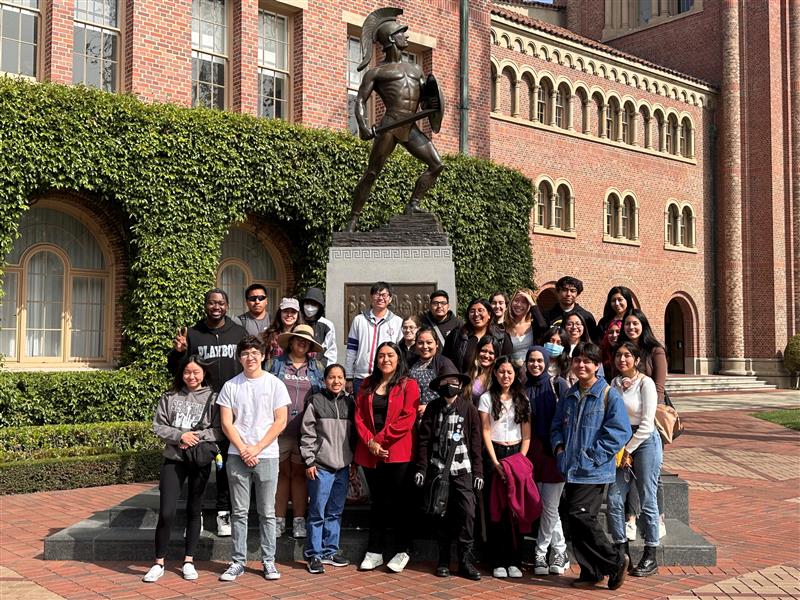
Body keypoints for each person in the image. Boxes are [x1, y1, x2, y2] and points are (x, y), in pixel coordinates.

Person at [346, 8, 444, 231]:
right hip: (390, 126)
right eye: (402, 33)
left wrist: (433, 107)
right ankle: (353, 219)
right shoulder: (377, 73)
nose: (406, 37)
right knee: (372, 172)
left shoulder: (417, 70)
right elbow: (360, 100)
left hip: (410, 126)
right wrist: (362, 126)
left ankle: (413, 204)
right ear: (391, 39)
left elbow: (427, 100)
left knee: (437, 165)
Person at [551, 342, 632, 590]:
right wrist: (559, 450)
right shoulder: (568, 395)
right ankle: (591, 571)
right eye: (578, 360)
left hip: (594, 470)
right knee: (574, 520)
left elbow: (620, 432)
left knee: (581, 516)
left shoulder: (609, 395)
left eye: (588, 361)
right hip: (571, 468)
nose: (582, 365)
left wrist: (593, 456)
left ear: (597, 365)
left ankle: (615, 560)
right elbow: (556, 427)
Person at [168, 288, 247, 538]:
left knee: (226, 462)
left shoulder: (238, 332)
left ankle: (224, 512)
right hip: (200, 408)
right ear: (205, 305)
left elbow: (250, 363)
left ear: (227, 306)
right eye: (212, 302)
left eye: (221, 303)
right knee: (198, 462)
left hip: (230, 408)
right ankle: (196, 513)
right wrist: (179, 352)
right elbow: (178, 371)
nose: (216, 307)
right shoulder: (193, 334)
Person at [216, 336, 290, 583]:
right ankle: (238, 561)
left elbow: (281, 420)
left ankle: (268, 560)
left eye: (255, 352)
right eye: (246, 352)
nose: (250, 357)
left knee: (267, 512)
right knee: (239, 512)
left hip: (267, 454)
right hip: (237, 455)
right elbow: (227, 423)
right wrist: (243, 448)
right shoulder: (231, 386)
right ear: (240, 357)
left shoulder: (275, 384)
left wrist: (256, 448)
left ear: (263, 355)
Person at [143, 355, 223, 583]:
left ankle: (189, 560)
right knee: (167, 511)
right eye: (187, 372)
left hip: (198, 459)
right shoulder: (169, 397)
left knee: (194, 509)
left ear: (204, 374)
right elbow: (158, 426)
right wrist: (180, 436)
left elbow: (219, 430)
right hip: (173, 458)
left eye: (196, 372)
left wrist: (195, 437)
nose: (192, 376)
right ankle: (158, 562)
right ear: (181, 374)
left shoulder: (213, 398)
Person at [353, 342, 420, 573]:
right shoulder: (367, 384)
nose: (386, 360)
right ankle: (375, 551)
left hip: (398, 453)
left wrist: (380, 440)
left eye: (390, 355)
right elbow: (359, 417)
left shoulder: (408, 385)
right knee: (378, 503)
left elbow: (407, 417)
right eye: (381, 356)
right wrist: (370, 442)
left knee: (401, 503)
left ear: (399, 358)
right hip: (372, 454)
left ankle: (403, 550)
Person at [414, 363, 482, 580]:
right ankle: (443, 559)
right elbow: (424, 441)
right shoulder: (433, 407)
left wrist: (478, 472)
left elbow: (475, 442)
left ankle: (465, 560)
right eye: (445, 382)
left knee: (467, 513)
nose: (449, 386)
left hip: (463, 469)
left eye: (453, 382)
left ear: (460, 385)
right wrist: (422, 468)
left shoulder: (468, 408)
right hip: (439, 469)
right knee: (440, 514)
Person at [607, 342, 662, 578]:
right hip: (622, 442)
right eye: (618, 355)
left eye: (627, 356)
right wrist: (620, 448)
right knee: (614, 497)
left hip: (645, 441)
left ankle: (651, 553)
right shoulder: (614, 384)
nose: (622, 360)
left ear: (637, 360)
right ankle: (622, 549)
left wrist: (628, 450)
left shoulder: (645, 383)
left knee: (647, 496)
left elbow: (648, 423)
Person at [268, 324, 325, 539]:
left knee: (301, 475)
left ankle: (299, 520)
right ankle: (279, 520)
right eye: (298, 338)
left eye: (306, 340)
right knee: (281, 474)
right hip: (280, 430)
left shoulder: (317, 367)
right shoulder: (275, 364)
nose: (302, 342)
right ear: (290, 341)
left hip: (306, 432)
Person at [300, 363, 356, 574]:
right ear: (324, 380)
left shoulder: (350, 403)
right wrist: (309, 461)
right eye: (331, 377)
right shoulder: (316, 401)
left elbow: (353, 436)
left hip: (342, 466)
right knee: (317, 512)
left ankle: (330, 551)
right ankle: (314, 554)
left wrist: (353, 462)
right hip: (320, 467)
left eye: (340, 377)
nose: (336, 381)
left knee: (335, 512)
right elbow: (307, 434)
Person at [478, 356, 531, 579]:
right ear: (495, 374)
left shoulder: (523, 399)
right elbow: (486, 431)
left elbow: (527, 434)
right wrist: (495, 462)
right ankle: (497, 560)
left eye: (509, 372)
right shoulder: (486, 398)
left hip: (517, 455)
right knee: (496, 508)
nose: (505, 376)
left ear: (515, 374)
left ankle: (514, 560)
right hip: (495, 454)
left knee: (515, 510)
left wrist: (519, 460)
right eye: (501, 372)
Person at [618, 308, 669, 538]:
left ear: (643, 325)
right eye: (627, 324)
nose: (631, 328)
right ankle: (630, 518)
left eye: (635, 324)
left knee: (650, 477)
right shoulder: (621, 352)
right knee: (629, 477)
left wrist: (648, 403)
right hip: (626, 424)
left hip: (649, 418)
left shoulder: (655, 350)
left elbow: (658, 386)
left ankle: (656, 520)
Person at [524, 346, 570, 577]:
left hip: (554, 453)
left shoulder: (558, 384)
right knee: (546, 507)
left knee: (550, 506)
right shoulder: (521, 387)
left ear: (546, 361)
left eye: (539, 360)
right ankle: (560, 550)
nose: (535, 365)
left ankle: (541, 552)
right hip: (532, 454)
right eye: (531, 360)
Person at [345, 281, 403, 395]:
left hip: (387, 378)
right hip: (361, 378)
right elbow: (351, 350)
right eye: (377, 294)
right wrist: (349, 377)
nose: (381, 298)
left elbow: (400, 354)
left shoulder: (397, 322)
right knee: (361, 412)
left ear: (390, 299)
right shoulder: (359, 320)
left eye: (384, 295)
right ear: (371, 297)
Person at [443, 298, 511, 374]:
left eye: (480, 310)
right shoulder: (457, 335)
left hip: (492, 383)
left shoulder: (501, 337)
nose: (476, 314)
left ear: (489, 314)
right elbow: (445, 362)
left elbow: (508, 364)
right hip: (463, 382)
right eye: (472, 311)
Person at [407, 326, 458, 415]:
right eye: (420, 343)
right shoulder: (410, 363)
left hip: (436, 415)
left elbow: (453, 392)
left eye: (429, 342)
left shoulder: (444, 364)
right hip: (412, 416)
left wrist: (429, 406)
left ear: (436, 343)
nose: (425, 346)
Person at [543, 276, 599, 342]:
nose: (568, 294)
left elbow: (592, 341)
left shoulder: (586, 317)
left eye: (572, 291)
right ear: (558, 292)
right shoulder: (547, 315)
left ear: (577, 294)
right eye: (564, 290)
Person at [504, 288, 547, 368]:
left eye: (524, 302)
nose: (519, 305)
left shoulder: (534, 325)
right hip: (510, 371)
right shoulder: (505, 326)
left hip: (531, 369)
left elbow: (543, 326)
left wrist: (532, 303)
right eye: (516, 300)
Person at [301, 287, 338, 366]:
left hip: (318, 371)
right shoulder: (297, 321)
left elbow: (331, 352)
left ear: (319, 307)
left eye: (314, 304)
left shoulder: (327, 325)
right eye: (307, 303)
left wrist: (320, 368)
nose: (309, 307)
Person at [466, 335, 499, 405]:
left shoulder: (498, 376)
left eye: (491, 353)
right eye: (483, 351)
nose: (486, 356)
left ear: (496, 356)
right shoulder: (469, 374)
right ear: (477, 352)